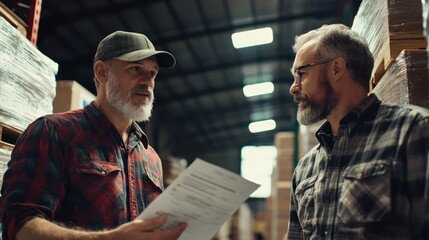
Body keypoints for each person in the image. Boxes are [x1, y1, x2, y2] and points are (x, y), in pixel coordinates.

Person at [1, 31, 187, 240]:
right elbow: (18, 226)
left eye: (152, 73)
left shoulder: (150, 158)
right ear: (102, 73)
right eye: (135, 69)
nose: (147, 82)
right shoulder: (53, 132)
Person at [286, 23, 429, 239]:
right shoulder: (305, 169)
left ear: (336, 69)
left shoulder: (411, 131)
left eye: (301, 75)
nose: (294, 87)